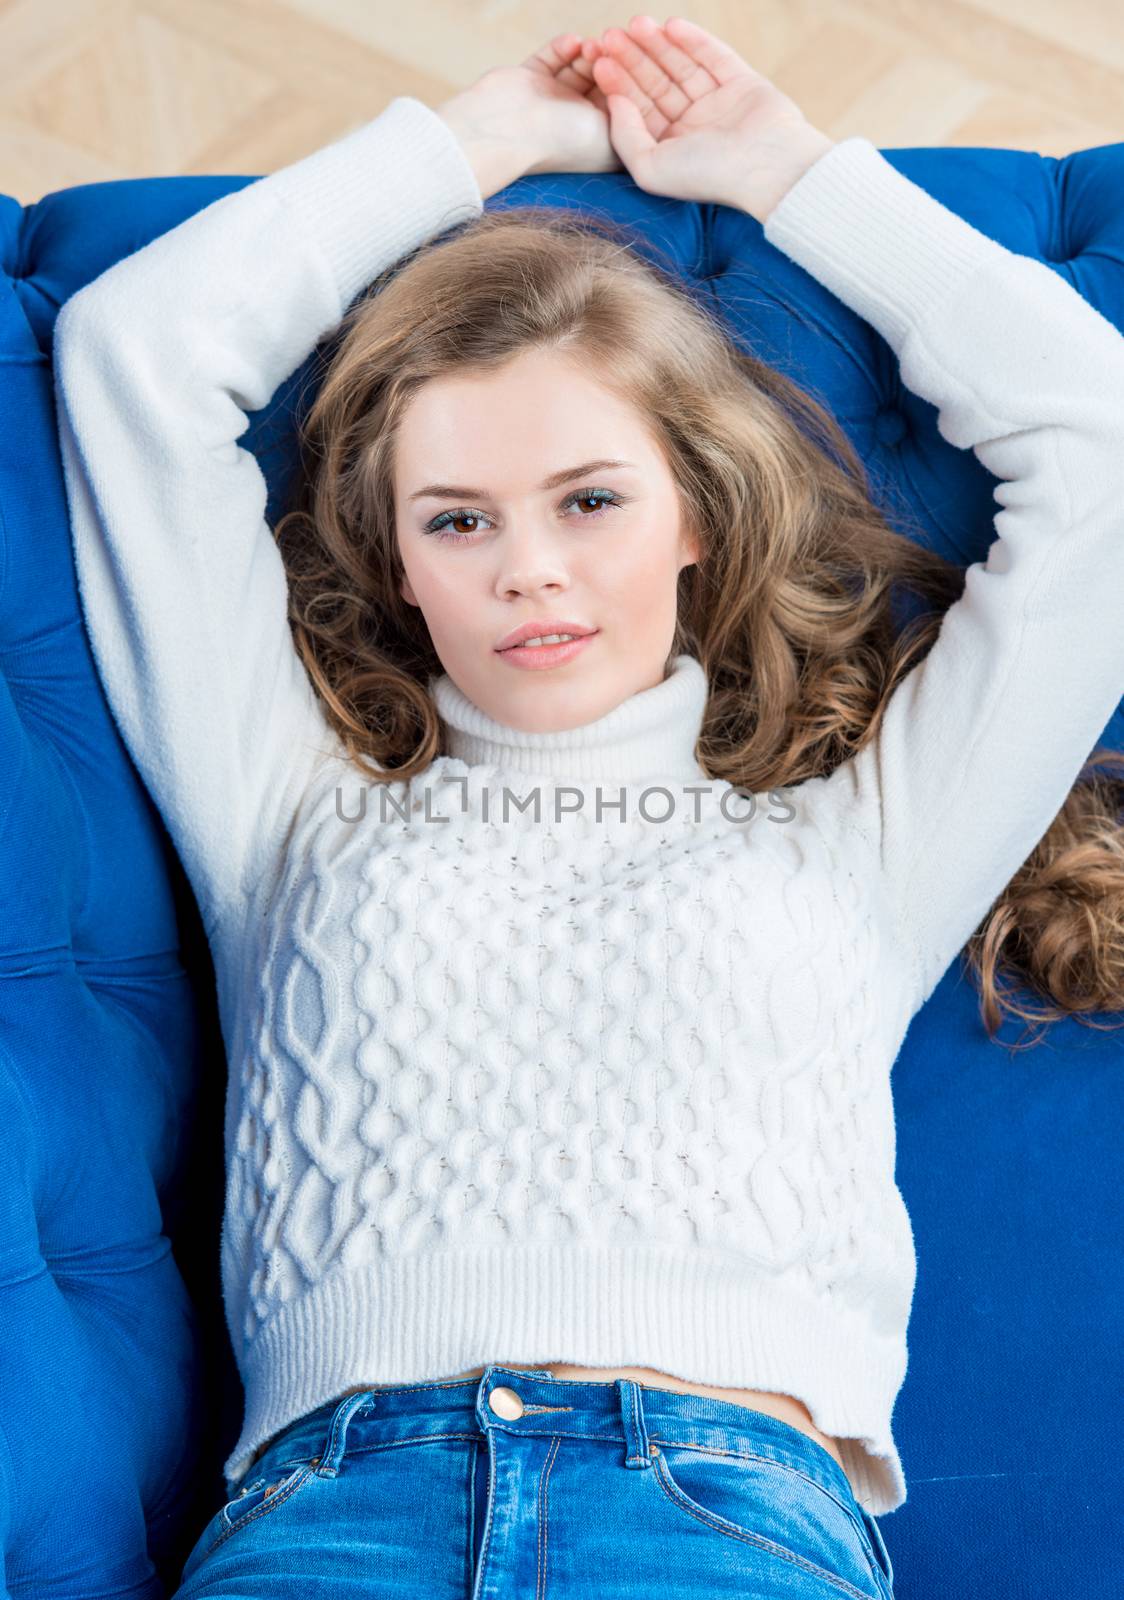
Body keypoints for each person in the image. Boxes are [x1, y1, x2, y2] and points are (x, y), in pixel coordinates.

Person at [51, 13, 1124, 1597]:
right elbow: (135, 358)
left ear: (698, 512)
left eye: (592, 500)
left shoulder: (864, 842)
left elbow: (1098, 439)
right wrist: (479, 138)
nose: (529, 567)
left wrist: (786, 172)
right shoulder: (286, 808)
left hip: (719, 1515)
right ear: (400, 560)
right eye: (458, 517)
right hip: (332, 1515)